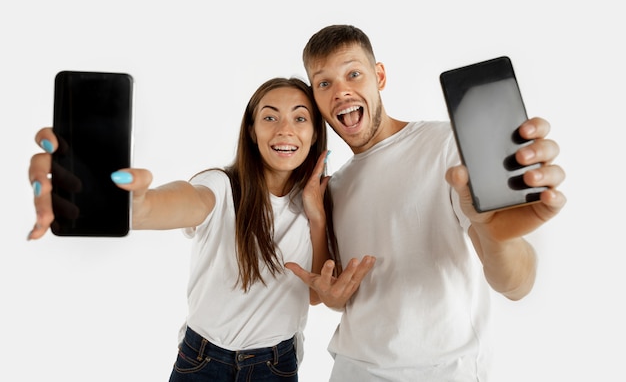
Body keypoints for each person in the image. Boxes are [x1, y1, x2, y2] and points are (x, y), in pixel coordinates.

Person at [285, 25, 567, 381]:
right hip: (353, 370)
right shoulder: (335, 186)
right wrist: (327, 280)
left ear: (379, 76)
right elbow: (340, 297)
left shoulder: (448, 146)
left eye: (353, 73)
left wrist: (493, 232)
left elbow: (516, 285)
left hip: (444, 371)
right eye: (324, 83)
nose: (341, 91)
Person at [28, 77, 330, 382]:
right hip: (203, 360)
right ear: (251, 131)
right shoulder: (221, 185)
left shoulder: (316, 201)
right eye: (269, 116)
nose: (284, 129)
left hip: (275, 365)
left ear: (315, 131)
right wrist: (137, 205)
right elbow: (182, 200)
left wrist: (317, 218)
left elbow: (316, 295)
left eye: (300, 117)